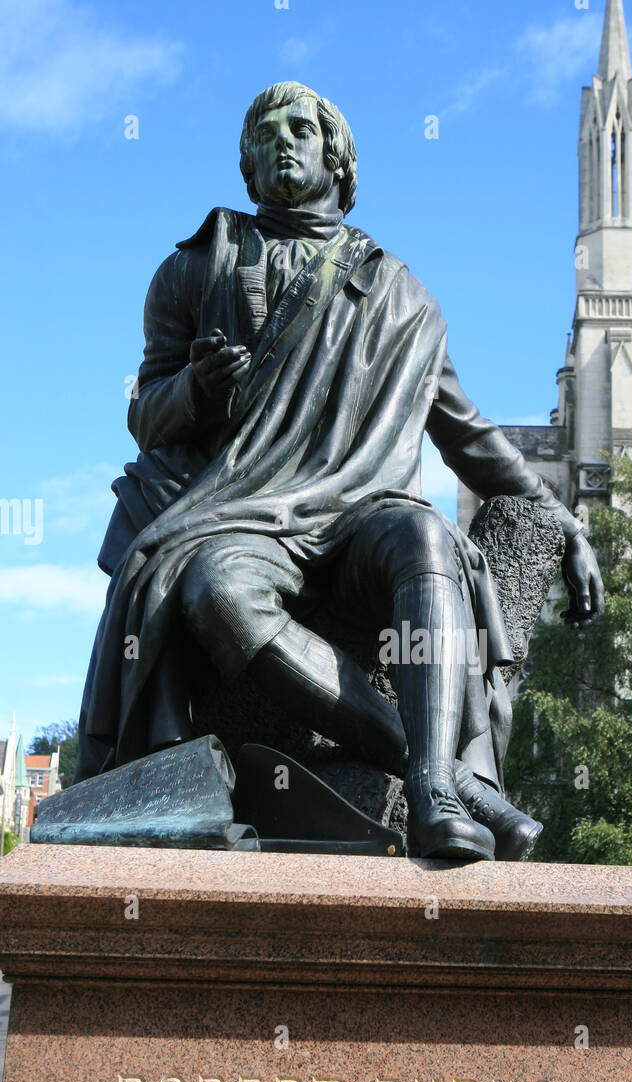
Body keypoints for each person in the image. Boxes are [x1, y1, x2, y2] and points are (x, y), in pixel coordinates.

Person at [75, 82, 604, 862]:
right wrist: (195, 389)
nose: (282, 142)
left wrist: (563, 520)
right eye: (264, 134)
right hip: (243, 514)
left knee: (427, 536)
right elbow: (146, 413)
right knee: (214, 591)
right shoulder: (191, 271)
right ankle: (447, 772)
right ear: (248, 162)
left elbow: (466, 433)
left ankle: (430, 792)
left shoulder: (401, 298)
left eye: (301, 130)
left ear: (337, 157)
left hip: (361, 511)